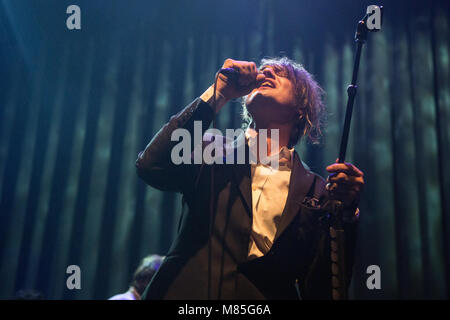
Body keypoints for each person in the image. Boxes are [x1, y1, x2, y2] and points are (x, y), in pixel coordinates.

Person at [136, 57, 364, 299]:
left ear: (301, 108)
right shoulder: (208, 148)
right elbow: (151, 167)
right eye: (264, 70)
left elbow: (322, 290)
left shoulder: (317, 191)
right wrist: (219, 92)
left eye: (281, 73)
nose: (266, 72)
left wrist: (347, 212)